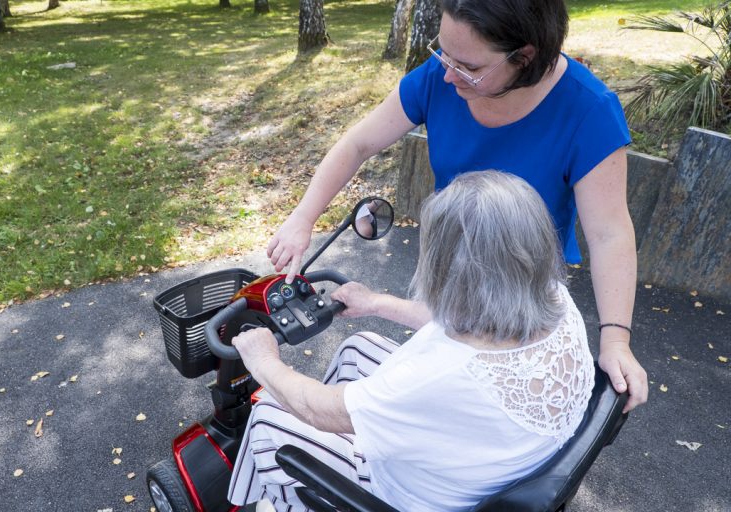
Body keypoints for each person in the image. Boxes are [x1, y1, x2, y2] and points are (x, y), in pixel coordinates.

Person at [265, 0, 647, 412]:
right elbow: (358, 143)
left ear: (524, 56)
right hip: (449, 269)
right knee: (436, 383)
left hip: (519, 292)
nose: (447, 74)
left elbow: (609, 233)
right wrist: (303, 217)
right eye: (443, 52)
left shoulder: (589, 111)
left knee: (461, 397)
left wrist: (615, 339)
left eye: (468, 66)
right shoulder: (442, 76)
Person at [228, 171, 596, 511]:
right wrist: (376, 303)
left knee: (268, 416)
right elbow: (475, 318)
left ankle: (254, 499)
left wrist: (263, 361)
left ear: (453, 270)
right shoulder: (554, 298)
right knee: (357, 349)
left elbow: (317, 410)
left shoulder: (440, 378)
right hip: (487, 457)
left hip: (407, 496)